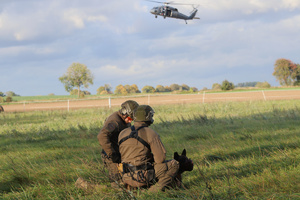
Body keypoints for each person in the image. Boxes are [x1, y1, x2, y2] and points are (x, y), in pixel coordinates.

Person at [118, 105, 179, 192]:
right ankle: (152, 191)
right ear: (148, 116)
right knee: (174, 164)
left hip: (126, 176)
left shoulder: (122, 133)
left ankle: (132, 189)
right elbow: (160, 159)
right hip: (143, 175)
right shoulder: (151, 133)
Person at [97, 100, 139, 188]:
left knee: (127, 179)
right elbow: (102, 136)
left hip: (120, 153)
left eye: (133, 119)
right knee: (118, 184)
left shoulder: (124, 119)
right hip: (112, 155)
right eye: (130, 118)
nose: (130, 121)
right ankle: (86, 186)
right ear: (124, 113)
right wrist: (112, 154)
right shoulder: (114, 122)